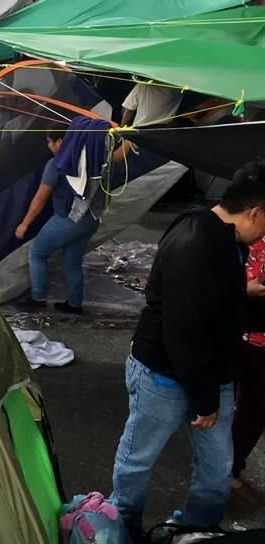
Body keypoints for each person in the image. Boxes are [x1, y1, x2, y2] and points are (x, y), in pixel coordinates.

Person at [109, 161, 265, 542]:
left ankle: (198, 531)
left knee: (217, 466)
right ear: (255, 212)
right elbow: (184, 331)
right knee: (138, 458)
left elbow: (215, 304)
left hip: (213, 372)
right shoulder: (196, 242)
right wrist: (205, 399)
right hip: (163, 373)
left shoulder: (227, 237)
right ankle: (122, 527)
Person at [14, 131, 127, 314]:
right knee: (72, 261)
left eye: (49, 142)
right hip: (91, 219)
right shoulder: (95, 157)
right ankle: (74, 304)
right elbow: (119, 157)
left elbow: (40, 198)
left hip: (68, 219)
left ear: (59, 141)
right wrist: (130, 136)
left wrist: (24, 224)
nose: (48, 146)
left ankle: (37, 298)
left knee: (37, 253)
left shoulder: (57, 163)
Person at [229, 236, 265, 503]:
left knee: (252, 411)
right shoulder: (246, 231)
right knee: (247, 409)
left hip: (248, 336)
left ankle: (228, 470)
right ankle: (223, 475)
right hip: (240, 335)